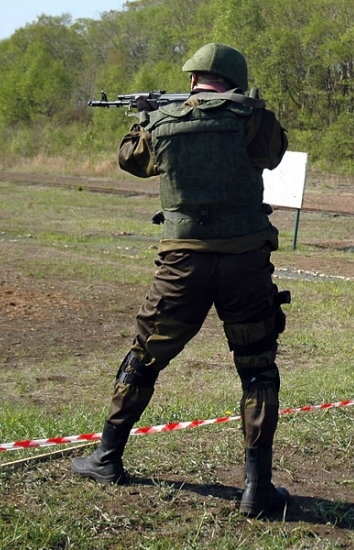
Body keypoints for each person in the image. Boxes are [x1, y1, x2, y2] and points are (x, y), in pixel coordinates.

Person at [72, 43, 291, 517]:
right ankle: (257, 489)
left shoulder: (163, 123)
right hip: (245, 261)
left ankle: (107, 457)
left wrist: (146, 117)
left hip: (182, 265)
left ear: (193, 79)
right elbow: (274, 154)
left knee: (145, 356)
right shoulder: (253, 118)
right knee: (257, 367)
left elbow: (131, 160)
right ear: (233, 78)